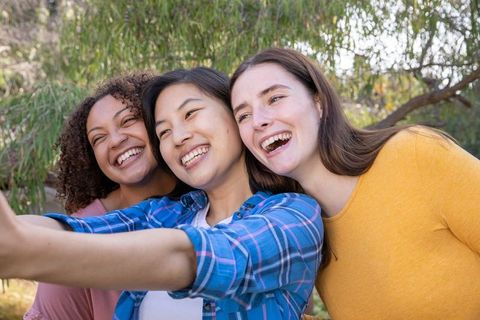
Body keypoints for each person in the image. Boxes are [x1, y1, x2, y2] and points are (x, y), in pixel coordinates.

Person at [0, 67, 324, 320]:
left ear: (235, 114)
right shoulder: (170, 212)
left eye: (190, 114)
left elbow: (194, 257)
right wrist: (14, 229)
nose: (179, 137)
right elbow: (85, 229)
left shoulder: (294, 216)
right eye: (164, 131)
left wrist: (25, 251)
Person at [229, 47, 480, 319]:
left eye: (275, 98)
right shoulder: (304, 233)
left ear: (319, 103)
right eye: (243, 115)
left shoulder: (415, 154)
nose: (258, 121)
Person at [24, 72, 179, 320]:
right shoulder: (77, 242)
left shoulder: (209, 201)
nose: (116, 140)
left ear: (157, 120)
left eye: (128, 120)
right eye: (99, 138)